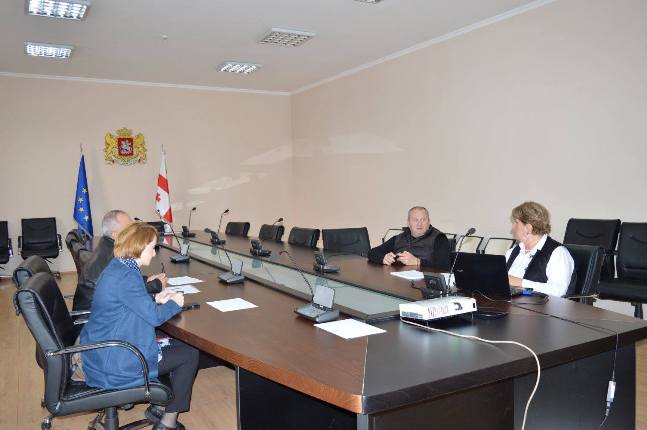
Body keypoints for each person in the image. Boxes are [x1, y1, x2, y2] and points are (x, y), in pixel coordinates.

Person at [80, 222, 198, 430]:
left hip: (102, 352)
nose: (154, 253)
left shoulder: (118, 267)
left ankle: (159, 408)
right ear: (139, 247)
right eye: (152, 247)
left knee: (178, 345)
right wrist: (174, 303)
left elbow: (127, 303)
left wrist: (155, 299)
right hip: (116, 362)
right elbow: (153, 318)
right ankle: (167, 423)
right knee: (189, 354)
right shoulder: (128, 276)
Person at [73, 210, 167, 311]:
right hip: (93, 315)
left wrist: (146, 280)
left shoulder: (106, 245)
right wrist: (154, 286)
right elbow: (125, 294)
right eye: (128, 229)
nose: (134, 232)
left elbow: (123, 283)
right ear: (115, 235)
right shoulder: (114, 256)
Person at [506, 201, 576, 297]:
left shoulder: (558, 253)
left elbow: (558, 291)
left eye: (516, 222)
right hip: (508, 302)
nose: (513, 228)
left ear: (528, 228)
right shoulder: (513, 251)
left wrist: (521, 283)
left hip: (542, 305)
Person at [368, 206, 451, 269]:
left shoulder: (439, 238)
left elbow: (444, 265)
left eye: (423, 220)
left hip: (425, 281)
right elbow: (372, 252)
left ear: (429, 222)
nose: (419, 224)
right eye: (415, 220)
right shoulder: (399, 238)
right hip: (398, 279)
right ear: (408, 223)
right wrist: (383, 258)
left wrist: (418, 262)